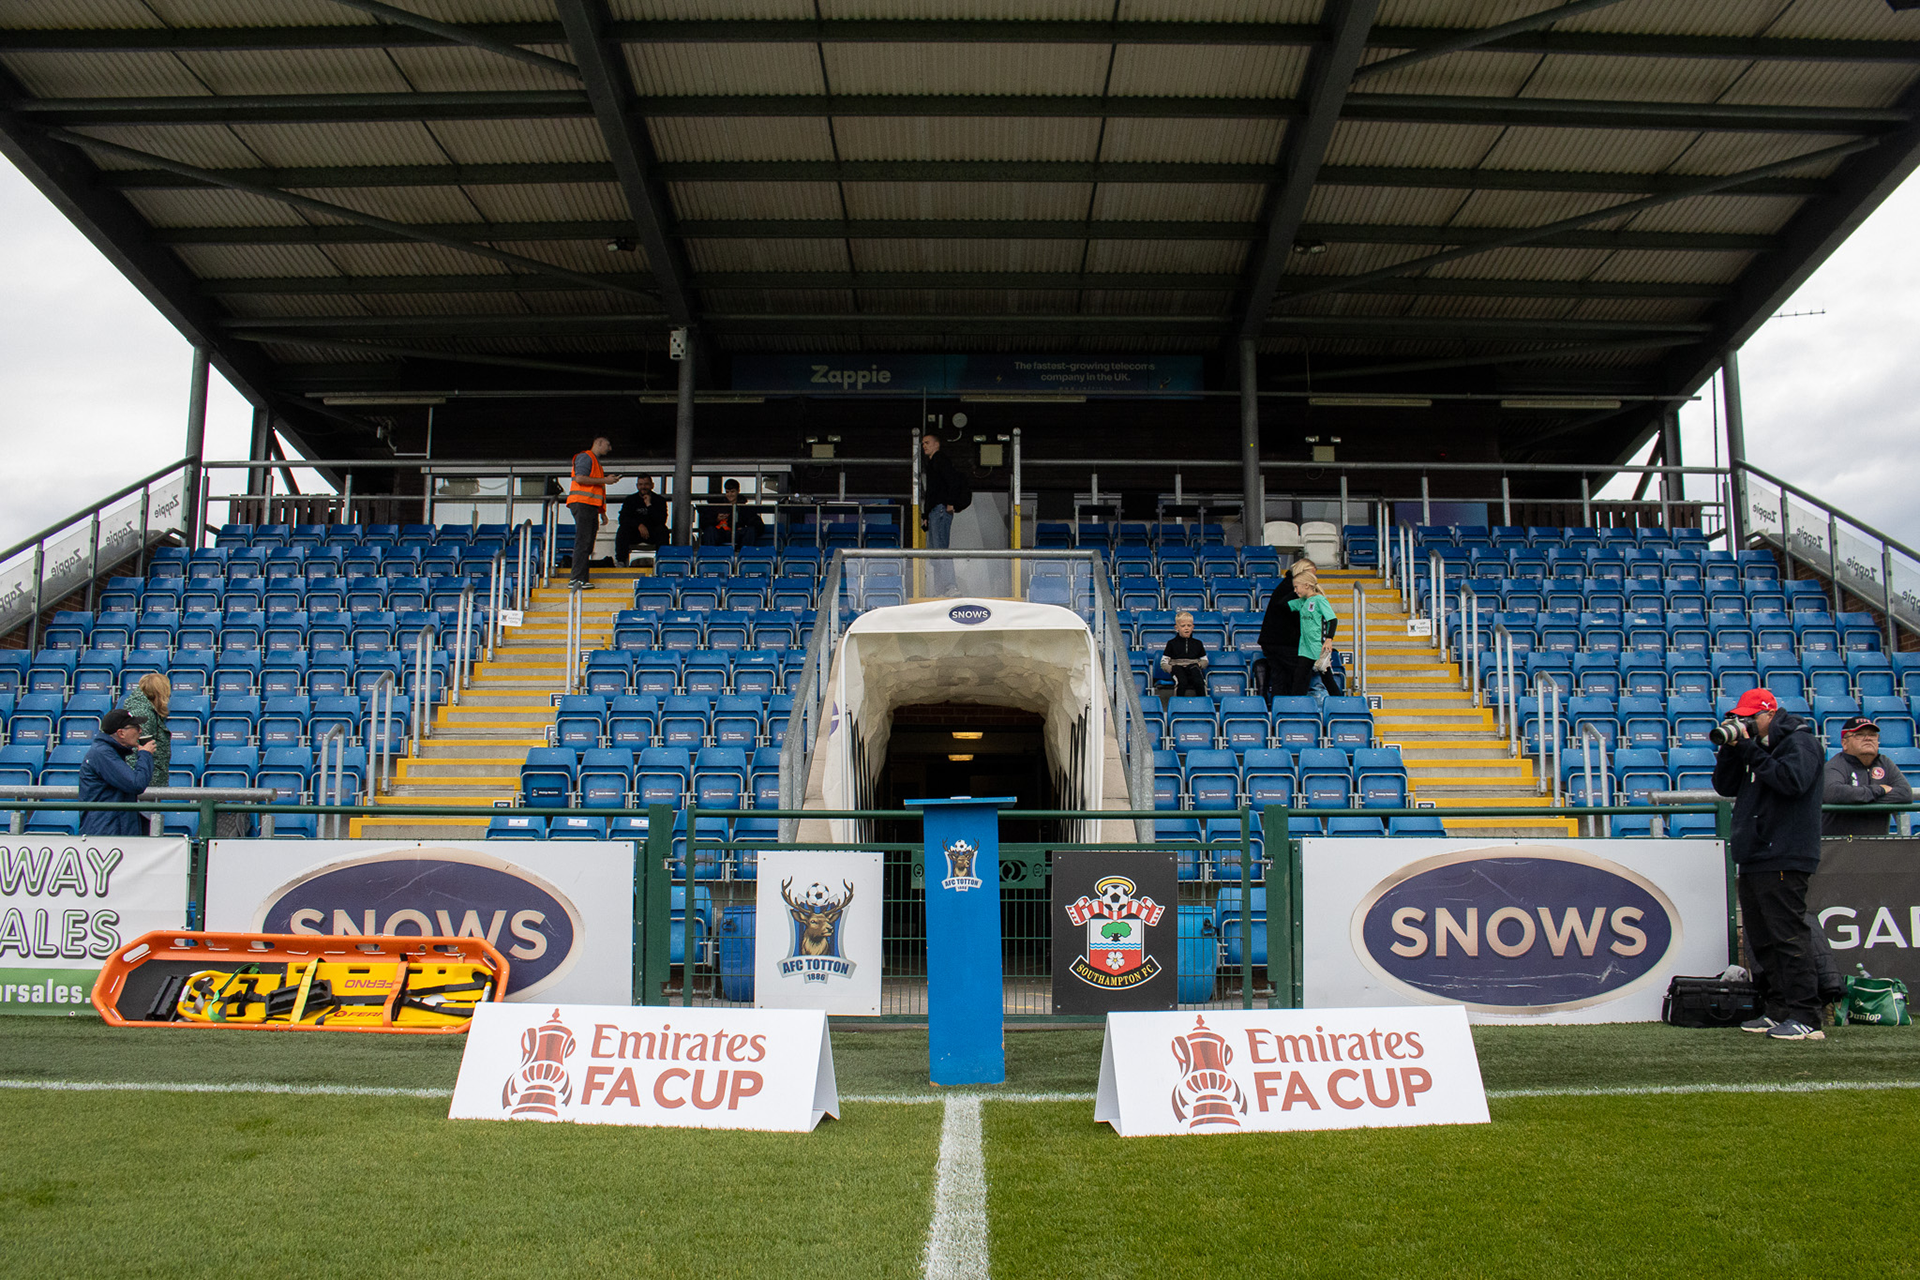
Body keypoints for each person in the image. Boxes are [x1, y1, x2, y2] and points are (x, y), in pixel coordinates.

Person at [1711, 687, 1828, 1041]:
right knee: (1762, 940)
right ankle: (1778, 1008)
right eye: (1738, 719)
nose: (1743, 724)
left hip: (1785, 852)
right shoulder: (1754, 747)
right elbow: (1724, 786)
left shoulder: (1800, 742)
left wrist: (1749, 749)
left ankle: (1806, 1015)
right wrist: (1731, 750)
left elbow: (1792, 782)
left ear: (1770, 714)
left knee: (1788, 937)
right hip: (1755, 854)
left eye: (1749, 718)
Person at [1823, 714, 1912, 837]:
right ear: (1844, 743)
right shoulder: (1835, 765)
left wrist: (1857, 798)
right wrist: (1880, 790)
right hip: (1840, 843)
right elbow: (1834, 793)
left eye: (1872, 735)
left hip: (1876, 844)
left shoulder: (1885, 763)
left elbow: (1905, 794)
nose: (1868, 738)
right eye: (1859, 735)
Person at [78, 708, 156, 838]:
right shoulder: (103, 753)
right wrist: (145, 755)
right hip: (106, 832)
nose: (140, 731)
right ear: (121, 733)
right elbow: (136, 784)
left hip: (111, 828)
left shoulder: (109, 751)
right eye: (136, 727)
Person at [566, 436, 620, 590]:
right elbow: (580, 478)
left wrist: (601, 511)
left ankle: (581, 578)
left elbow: (595, 490)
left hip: (590, 506)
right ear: (598, 443)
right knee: (583, 541)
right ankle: (577, 579)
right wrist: (605, 480)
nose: (609, 448)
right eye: (607, 444)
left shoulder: (595, 462)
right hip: (582, 504)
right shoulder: (586, 457)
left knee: (587, 543)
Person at [1255, 559, 1314, 700]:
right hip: (1283, 642)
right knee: (1301, 672)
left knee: (1280, 678)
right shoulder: (1294, 589)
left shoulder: (1285, 585)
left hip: (1272, 641)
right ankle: (1296, 705)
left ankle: (1280, 707)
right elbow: (1287, 609)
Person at [920, 433, 971, 594]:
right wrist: (926, 515)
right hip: (934, 511)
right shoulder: (932, 463)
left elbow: (952, 481)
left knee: (941, 550)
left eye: (927, 443)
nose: (924, 446)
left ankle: (950, 586)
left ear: (937, 444)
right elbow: (931, 492)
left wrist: (950, 502)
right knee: (935, 553)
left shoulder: (941, 460)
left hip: (940, 509)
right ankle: (941, 589)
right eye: (923, 443)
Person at [1290, 569, 1339, 700]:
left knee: (1327, 678)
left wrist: (1329, 639)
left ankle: (1340, 703)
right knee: (1299, 677)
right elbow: (1284, 605)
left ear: (1306, 585)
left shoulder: (1319, 600)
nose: (1295, 590)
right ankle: (1296, 705)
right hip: (1305, 647)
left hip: (1318, 646)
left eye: (1296, 587)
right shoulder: (1302, 601)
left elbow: (1332, 620)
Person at [119, 672, 171, 789]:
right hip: (146, 783)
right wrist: (139, 782)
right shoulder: (144, 714)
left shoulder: (143, 709)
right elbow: (137, 751)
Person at [615, 474, 671, 564]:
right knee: (622, 530)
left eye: (646, 484)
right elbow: (623, 519)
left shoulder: (659, 500)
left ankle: (663, 561)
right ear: (637, 486)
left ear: (652, 485)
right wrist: (639, 525)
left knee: (663, 531)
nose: (643, 487)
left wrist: (649, 505)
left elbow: (661, 520)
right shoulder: (630, 500)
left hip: (652, 532)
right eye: (640, 484)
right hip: (635, 532)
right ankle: (621, 561)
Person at [700, 478, 764, 548]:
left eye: (732, 492)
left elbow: (758, 524)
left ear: (738, 491)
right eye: (727, 492)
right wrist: (716, 519)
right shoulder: (718, 506)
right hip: (721, 533)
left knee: (750, 531)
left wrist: (743, 527)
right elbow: (703, 523)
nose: (730, 494)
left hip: (737, 534)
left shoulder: (744, 508)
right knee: (710, 530)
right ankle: (710, 553)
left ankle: (744, 553)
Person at [1159, 610, 1209, 698]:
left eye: (1189, 625)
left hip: (1193, 667)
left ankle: (1203, 702)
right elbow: (1163, 662)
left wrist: (1199, 664)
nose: (1186, 628)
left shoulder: (1198, 643)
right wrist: (1171, 669)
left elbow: (1205, 660)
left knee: (1199, 681)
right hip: (1177, 668)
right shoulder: (1171, 643)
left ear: (1193, 627)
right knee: (1181, 681)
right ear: (1176, 628)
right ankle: (1178, 702)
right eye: (1183, 626)